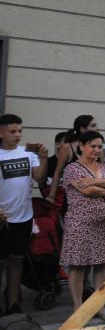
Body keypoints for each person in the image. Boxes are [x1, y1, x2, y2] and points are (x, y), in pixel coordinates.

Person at [60, 130, 105, 310]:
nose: (97, 150)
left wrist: (93, 182)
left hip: (103, 223)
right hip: (80, 224)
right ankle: (78, 306)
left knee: (102, 264)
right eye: (93, 146)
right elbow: (87, 192)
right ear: (82, 147)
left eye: (100, 146)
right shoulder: (72, 168)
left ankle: (99, 305)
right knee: (78, 266)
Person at [0, 114, 48, 314]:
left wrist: (44, 158)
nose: (18, 135)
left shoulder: (28, 153)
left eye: (20, 130)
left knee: (17, 260)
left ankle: (13, 304)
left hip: (24, 217)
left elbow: (40, 178)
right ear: (1, 133)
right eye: (12, 131)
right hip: (2, 217)